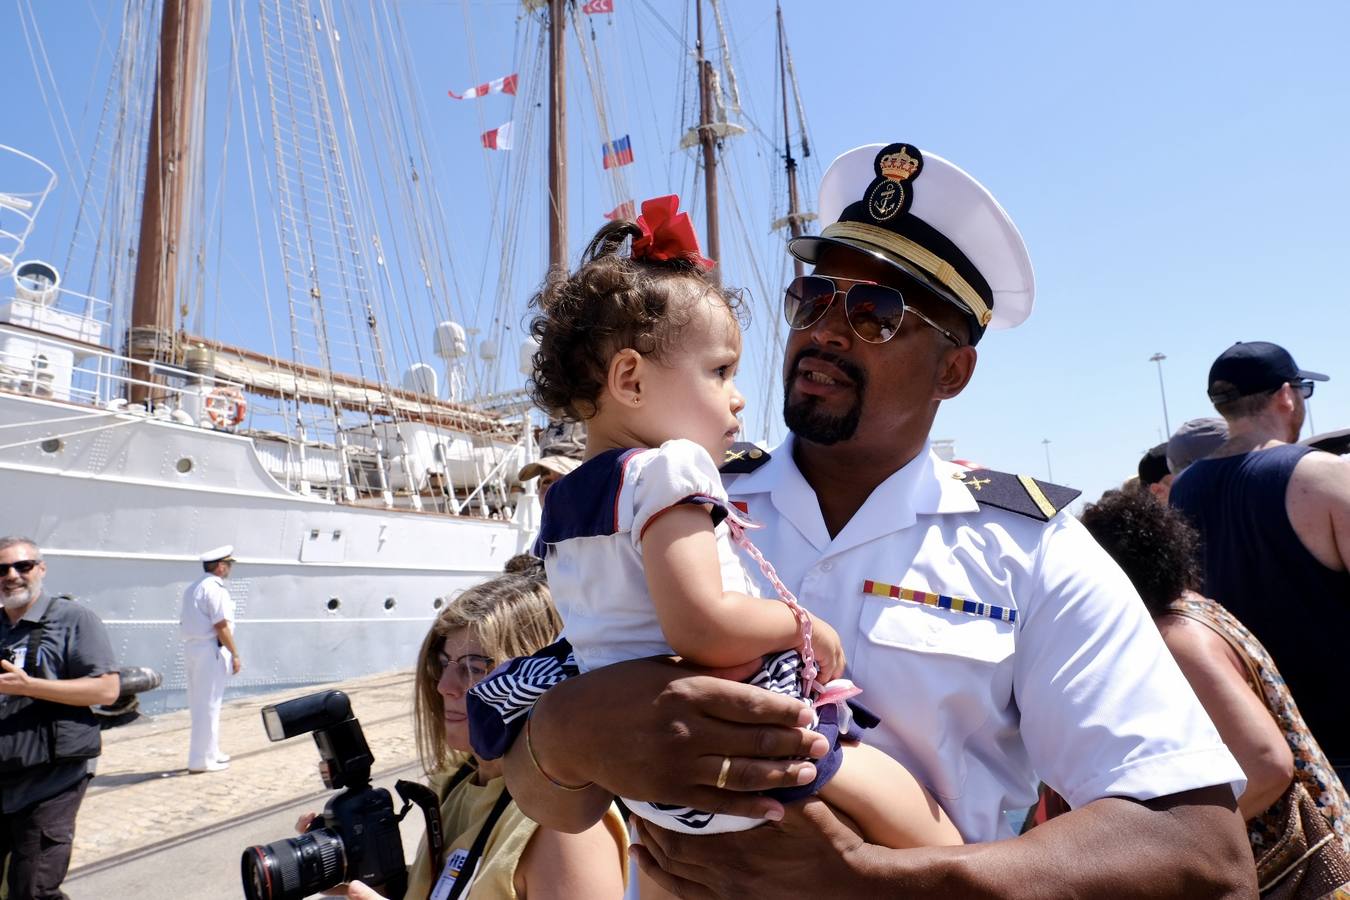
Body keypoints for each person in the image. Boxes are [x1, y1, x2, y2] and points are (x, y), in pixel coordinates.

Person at [496, 142, 1254, 898]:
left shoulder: (1030, 550)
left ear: (951, 370)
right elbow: (551, 802)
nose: (826, 330)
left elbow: (1204, 852)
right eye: (815, 298)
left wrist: (876, 881)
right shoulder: (670, 506)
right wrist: (564, 737)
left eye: (876, 313)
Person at [471, 194, 962, 854]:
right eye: (720, 371)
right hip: (730, 731)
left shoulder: (565, 504)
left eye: (876, 316)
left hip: (652, 786)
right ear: (631, 380)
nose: (738, 396)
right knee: (885, 791)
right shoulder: (675, 470)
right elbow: (703, 627)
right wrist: (806, 630)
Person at [312, 569, 628, 900]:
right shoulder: (458, 785)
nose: (443, 686)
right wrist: (369, 879)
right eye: (444, 663)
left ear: (532, 676)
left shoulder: (566, 822)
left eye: (474, 668)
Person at [1082, 490, 1350, 851]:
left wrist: (1176, 842)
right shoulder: (1192, 607)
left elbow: (1266, 764)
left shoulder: (1178, 640)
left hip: (1297, 868)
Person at [1170, 341, 1350, 783]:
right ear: (1287, 395)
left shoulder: (1184, 489)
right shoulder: (1323, 474)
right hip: (1341, 741)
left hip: (1253, 744)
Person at [0, 537, 120, 900]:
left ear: (41, 568)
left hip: (51, 779)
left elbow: (107, 690)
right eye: (2, 569)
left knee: (33, 889)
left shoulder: (74, 619)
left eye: (23, 566)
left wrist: (29, 686)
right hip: (5, 773)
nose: (12, 576)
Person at [179, 545, 242, 774]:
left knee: (201, 704)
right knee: (209, 705)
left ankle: (211, 752)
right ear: (221, 566)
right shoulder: (216, 589)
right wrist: (235, 653)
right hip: (209, 650)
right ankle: (200, 761)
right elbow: (221, 625)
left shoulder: (193, 588)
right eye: (228, 565)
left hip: (194, 649)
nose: (229, 570)